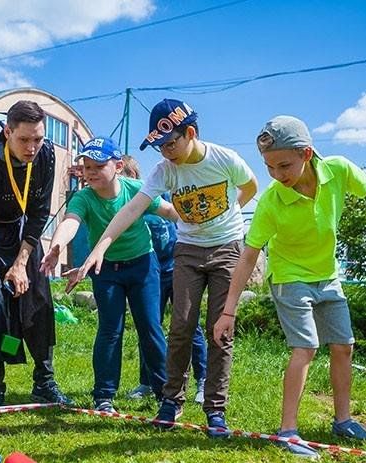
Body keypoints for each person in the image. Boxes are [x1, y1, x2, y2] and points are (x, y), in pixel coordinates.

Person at [213, 116, 366, 457]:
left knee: (344, 345)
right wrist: (229, 310)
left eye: (284, 165)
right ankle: (288, 432)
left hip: (327, 275)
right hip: (289, 278)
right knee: (306, 349)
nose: (277, 174)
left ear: (307, 153)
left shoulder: (338, 170)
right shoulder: (272, 200)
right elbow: (247, 256)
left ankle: (343, 421)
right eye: (269, 167)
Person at [70, 99, 258, 437]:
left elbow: (251, 186)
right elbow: (131, 210)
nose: (166, 152)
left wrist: (231, 213)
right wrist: (100, 248)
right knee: (181, 325)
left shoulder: (224, 159)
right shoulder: (163, 170)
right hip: (187, 251)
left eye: (171, 143)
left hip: (227, 249)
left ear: (191, 133)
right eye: (159, 146)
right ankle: (171, 401)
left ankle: (215, 410)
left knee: (220, 329)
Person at [40, 136, 172, 413]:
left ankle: (166, 394)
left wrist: (198, 215)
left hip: (143, 265)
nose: (90, 172)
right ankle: (104, 396)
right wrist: (56, 246)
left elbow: (169, 212)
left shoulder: (137, 189)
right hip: (106, 269)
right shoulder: (83, 198)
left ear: (118, 166)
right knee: (110, 330)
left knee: (150, 327)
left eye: (98, 166)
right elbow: (70, 223)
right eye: (87, 167)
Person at [0, 100, 71, 408]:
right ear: (7, 132)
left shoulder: (45, 154)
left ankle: (44, 381)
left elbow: (39, 213)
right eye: (24, 139)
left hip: (23, 233)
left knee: (38, 301)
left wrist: (21, 263)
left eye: (38, 138)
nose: (32, 146)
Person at [121, 155, 207, 404]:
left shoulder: (160, 199)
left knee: (191, 326)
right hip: (149, 274)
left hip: (177, 270)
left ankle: (202, 380)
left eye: (125, 178)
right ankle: (148, 381)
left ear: (135, 177)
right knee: (149, 327)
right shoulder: (125, 208)